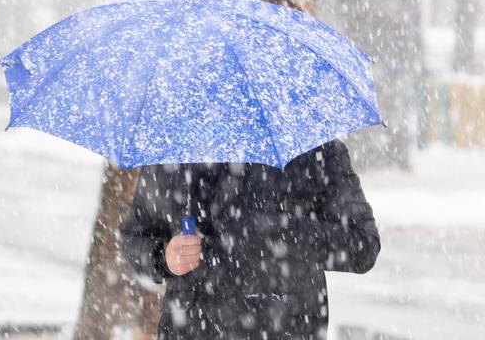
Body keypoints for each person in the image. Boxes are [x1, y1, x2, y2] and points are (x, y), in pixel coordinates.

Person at [121, 140, 380, 339]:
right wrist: (164, 257)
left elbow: (363, 244)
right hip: (192, 328)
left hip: (285, 326)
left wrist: (284, 231)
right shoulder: (177, 148)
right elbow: (134, 238)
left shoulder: (314, 149)